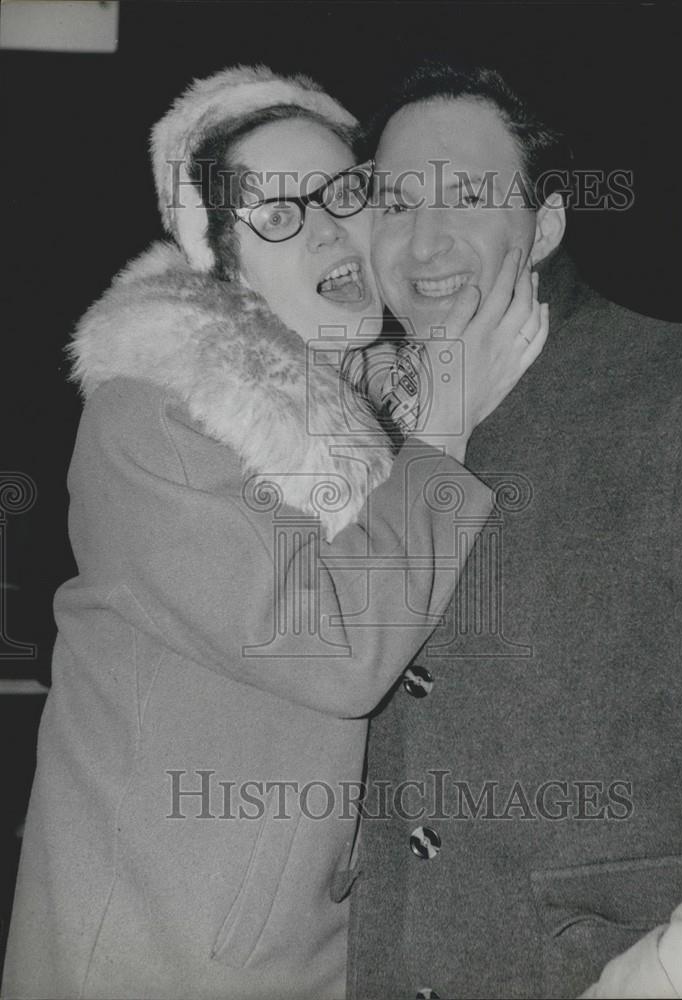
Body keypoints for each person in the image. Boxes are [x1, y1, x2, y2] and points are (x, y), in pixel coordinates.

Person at [0, 66, 548, 1000]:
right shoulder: (157, 417)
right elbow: (338, 653)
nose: (330, 226)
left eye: (343, 192)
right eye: (279, 211)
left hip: (297, 950)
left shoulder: (365, 420)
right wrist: (446, 426)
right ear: (222, 262)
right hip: (158, 954)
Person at [346, 64, 682, 999]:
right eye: (395, 201)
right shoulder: (357, 432)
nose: (425, 242)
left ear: (544, 224)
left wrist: (677, 975)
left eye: (469, 195)